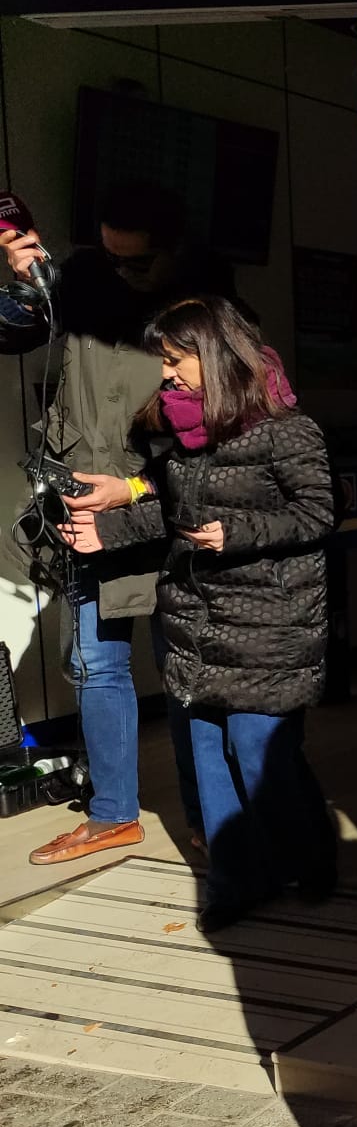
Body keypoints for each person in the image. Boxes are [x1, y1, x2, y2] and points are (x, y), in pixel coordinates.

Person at [65, 296, 337, 930]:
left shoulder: (288, 429)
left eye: (175, 360)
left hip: (269, 621)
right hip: (197, 620)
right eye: (162, 361)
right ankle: (236, 882)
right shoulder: (188, 434)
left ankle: (309, 855)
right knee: (208, 750)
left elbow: (318, 512)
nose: (166, 375)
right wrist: (106, 532)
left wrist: (237, 533)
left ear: (215, 353)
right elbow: (172, 512)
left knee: (259, 748)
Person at [1, 180, 223, 865]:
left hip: (165, 510)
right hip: (85, 508)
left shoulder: (207, 311)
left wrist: (133, 489)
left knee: (186, 672)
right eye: (110, 256)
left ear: (174, 250)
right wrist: (24, 283)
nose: (121, 271)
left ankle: (216, 826)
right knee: (95, 666)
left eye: (138, 261)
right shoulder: (82, 280)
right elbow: (13, 333)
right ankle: (112, 814)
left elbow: (222, 443)